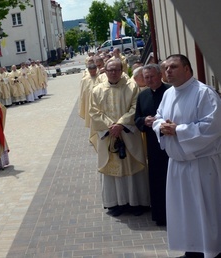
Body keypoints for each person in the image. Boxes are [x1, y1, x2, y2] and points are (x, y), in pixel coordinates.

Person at [152, 54, 221, 258]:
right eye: (165, 68)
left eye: (173, 67)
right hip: (177, 164)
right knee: (184, 211)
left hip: (201, 164)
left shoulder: (204, 93)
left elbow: (213, 126)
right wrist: (160, 127)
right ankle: (191, 248)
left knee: (206, 211)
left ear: (187, 69)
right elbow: (158, 117)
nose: (168, 71)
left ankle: (211, 250)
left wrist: (179, 130)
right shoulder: (169, 94)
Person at [89, 59, 150, 217]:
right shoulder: (97, 90)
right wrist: (111, 126)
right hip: (109, 135)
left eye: (116, 70)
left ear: (122, 70)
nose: (113, 73)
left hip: (128, 134)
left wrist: (121, 125)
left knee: (132, 166)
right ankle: (115, 203)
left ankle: (136, 202)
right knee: (111, 168)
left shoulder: (131, 86)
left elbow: (136, 107)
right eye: (110, 70)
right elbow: (94, 112)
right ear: (106, 71)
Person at [134, 64, 170, 226]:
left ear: (160, 75)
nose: (149, 80)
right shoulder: (142, 96)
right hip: (153, 146)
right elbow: (137, 119)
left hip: (171, 144)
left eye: (152, 76)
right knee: (156, 180)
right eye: (146, 77)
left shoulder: (171, 92)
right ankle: (160, 215)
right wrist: (144, 121)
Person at [79, 64, 100, 129]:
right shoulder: (84, 80)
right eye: (91, 72)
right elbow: (82, 93)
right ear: (88, 71)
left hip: (98, 101)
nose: (93, 73)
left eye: (94, 71)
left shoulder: (100, 77)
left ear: (96, 70)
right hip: (89, 102)